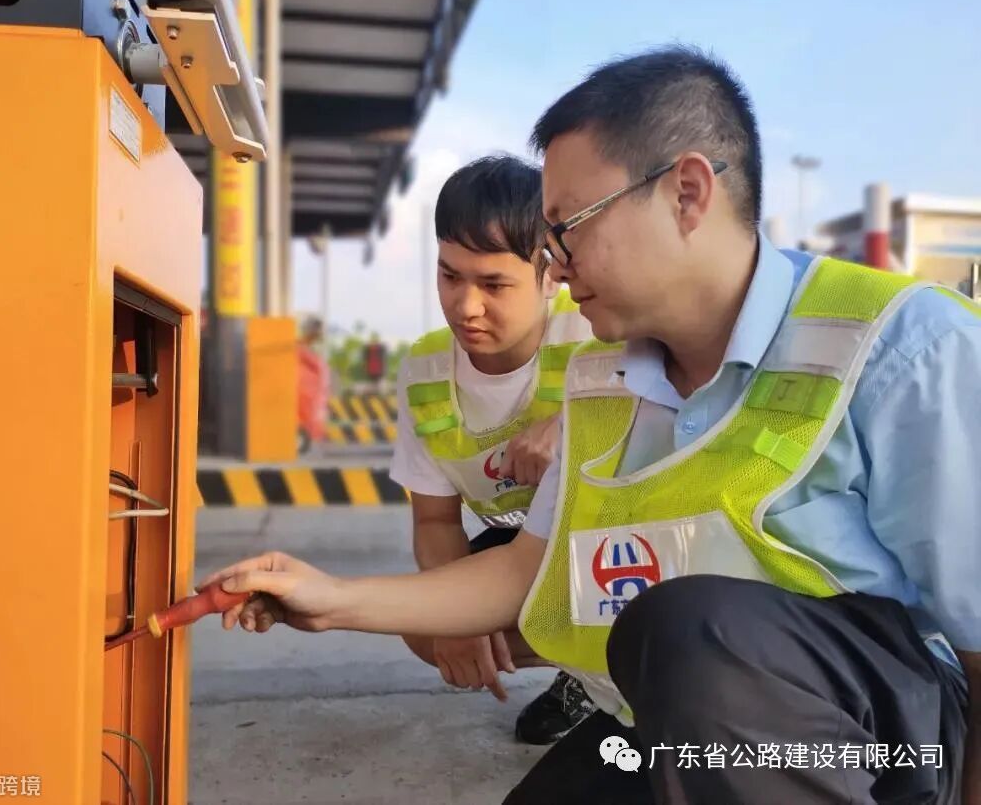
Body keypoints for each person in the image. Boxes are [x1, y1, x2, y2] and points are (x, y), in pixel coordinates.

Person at [199, 47, 980, 805]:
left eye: (568, 225)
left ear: (686, 194)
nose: (557, 261)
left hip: (890, 748)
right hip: (686, 724)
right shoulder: (602, 379)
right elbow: (521, 572)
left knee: (692, 629)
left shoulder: (904, 350)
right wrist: (332, 599)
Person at [390, 155, 596, 744]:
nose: (465, 306)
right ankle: (595, 670)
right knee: (424, 629)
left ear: (549, 273)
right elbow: (434, 520)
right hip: (524, 549)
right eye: (450, 276)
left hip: (614, 547)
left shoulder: (595, 333)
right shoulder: (426, 372)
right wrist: (457, 617)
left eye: (494, 284)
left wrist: (572, 426)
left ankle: (620, 676)